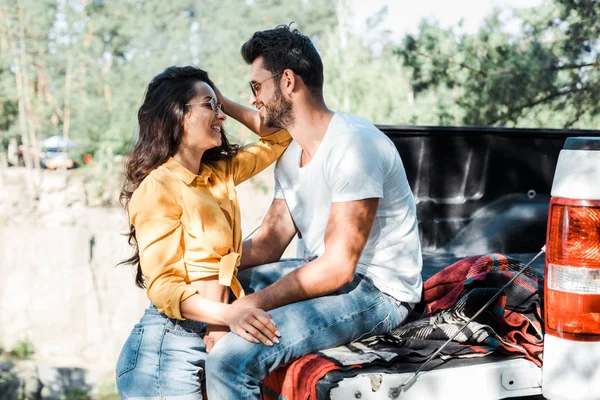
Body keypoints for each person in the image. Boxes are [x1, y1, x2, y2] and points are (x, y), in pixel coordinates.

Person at [204, 25, 423, 399]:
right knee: (202, 300)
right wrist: (205, 268)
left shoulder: (355, 145)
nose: (253, 99)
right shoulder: (290, 155)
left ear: (287, 81)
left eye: (257, 87)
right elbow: (269, 245)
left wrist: (244, 307)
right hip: (325, 273)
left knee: (230, 361)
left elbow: (338, 268)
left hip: (379, 292)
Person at [115, 65, 291, 399]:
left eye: (219, 106)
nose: (221, 116)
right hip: (166, 354)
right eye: (209, 105)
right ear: (176, 115)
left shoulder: (218, 175)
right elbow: (163, 286)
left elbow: (281, 135)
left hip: (212, 335)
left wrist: (221, 98)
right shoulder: (158, 187)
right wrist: (227, 316)